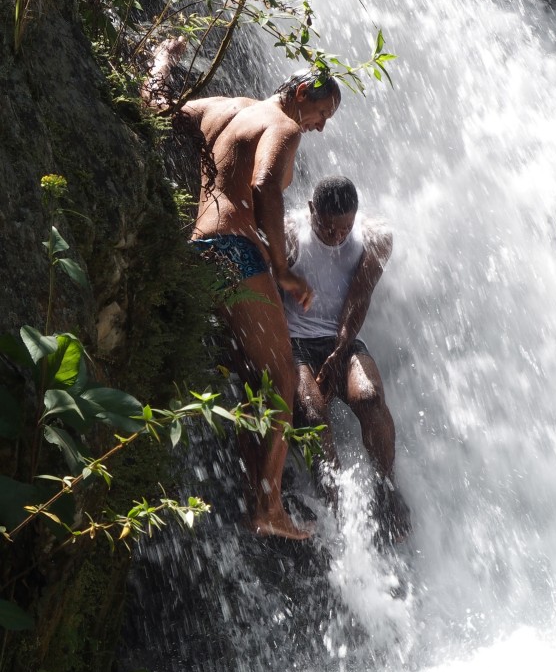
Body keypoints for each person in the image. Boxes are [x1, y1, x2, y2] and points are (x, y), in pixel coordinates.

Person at [142, 37, 341, 540]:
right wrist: (282, 267)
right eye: (321, 111)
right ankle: (267, 507)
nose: (319, 125)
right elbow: (265, 188)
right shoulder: (283, 125)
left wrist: (163, 58)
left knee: (247, 370)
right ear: (299, 93)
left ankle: (255, 478)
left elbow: (157, 108)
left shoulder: (223, 109)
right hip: (236, 250)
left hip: (198, 248)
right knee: (280, 374)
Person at [284, 176, 411, 544]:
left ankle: (387, 489)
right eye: (327, 227)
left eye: (345, 227)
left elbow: (360, 297)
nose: (337, 236)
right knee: (311, 412)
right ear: (311, 211)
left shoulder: (375, 236)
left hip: (342, 337)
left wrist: (340, 351)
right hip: (295, 343)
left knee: (369, 397)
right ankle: (334, 509)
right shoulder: (290, 235)